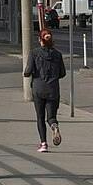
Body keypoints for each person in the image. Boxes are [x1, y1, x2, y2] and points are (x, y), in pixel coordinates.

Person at [28, 12, 67, 152]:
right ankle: (54, 126)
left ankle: (43, 144)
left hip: (38, 88)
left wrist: (30, 74)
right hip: (53, 89)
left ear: (40, 40)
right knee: (51, 116)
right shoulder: (58, 54)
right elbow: (62, 73)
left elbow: (27, 71)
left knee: (40, 117)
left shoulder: (34, 53)